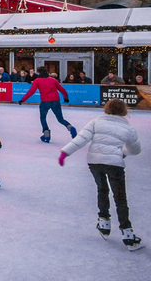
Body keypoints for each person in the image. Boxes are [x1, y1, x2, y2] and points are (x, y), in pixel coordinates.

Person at [59, 98, 143, 251]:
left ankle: (104, 223)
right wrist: (123, 152)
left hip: (95, 162)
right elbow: (135, 150)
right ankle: (127, 234)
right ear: (124, 110)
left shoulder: (96, 122)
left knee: (102, 190)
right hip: (114, 164)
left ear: (106, 108)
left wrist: (65, 152)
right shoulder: (128, 128)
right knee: (120, 197)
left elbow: (81, 139)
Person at [19, 67, 76, 143]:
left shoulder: (37, 80)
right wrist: (66, 98)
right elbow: (62, 89)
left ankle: (46, 134)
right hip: (56, 101)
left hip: (45, 102)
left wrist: (23, 100)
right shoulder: (53, 80)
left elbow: (31, 91)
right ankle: (70, 127)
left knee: (43, 118)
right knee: (60, 119)